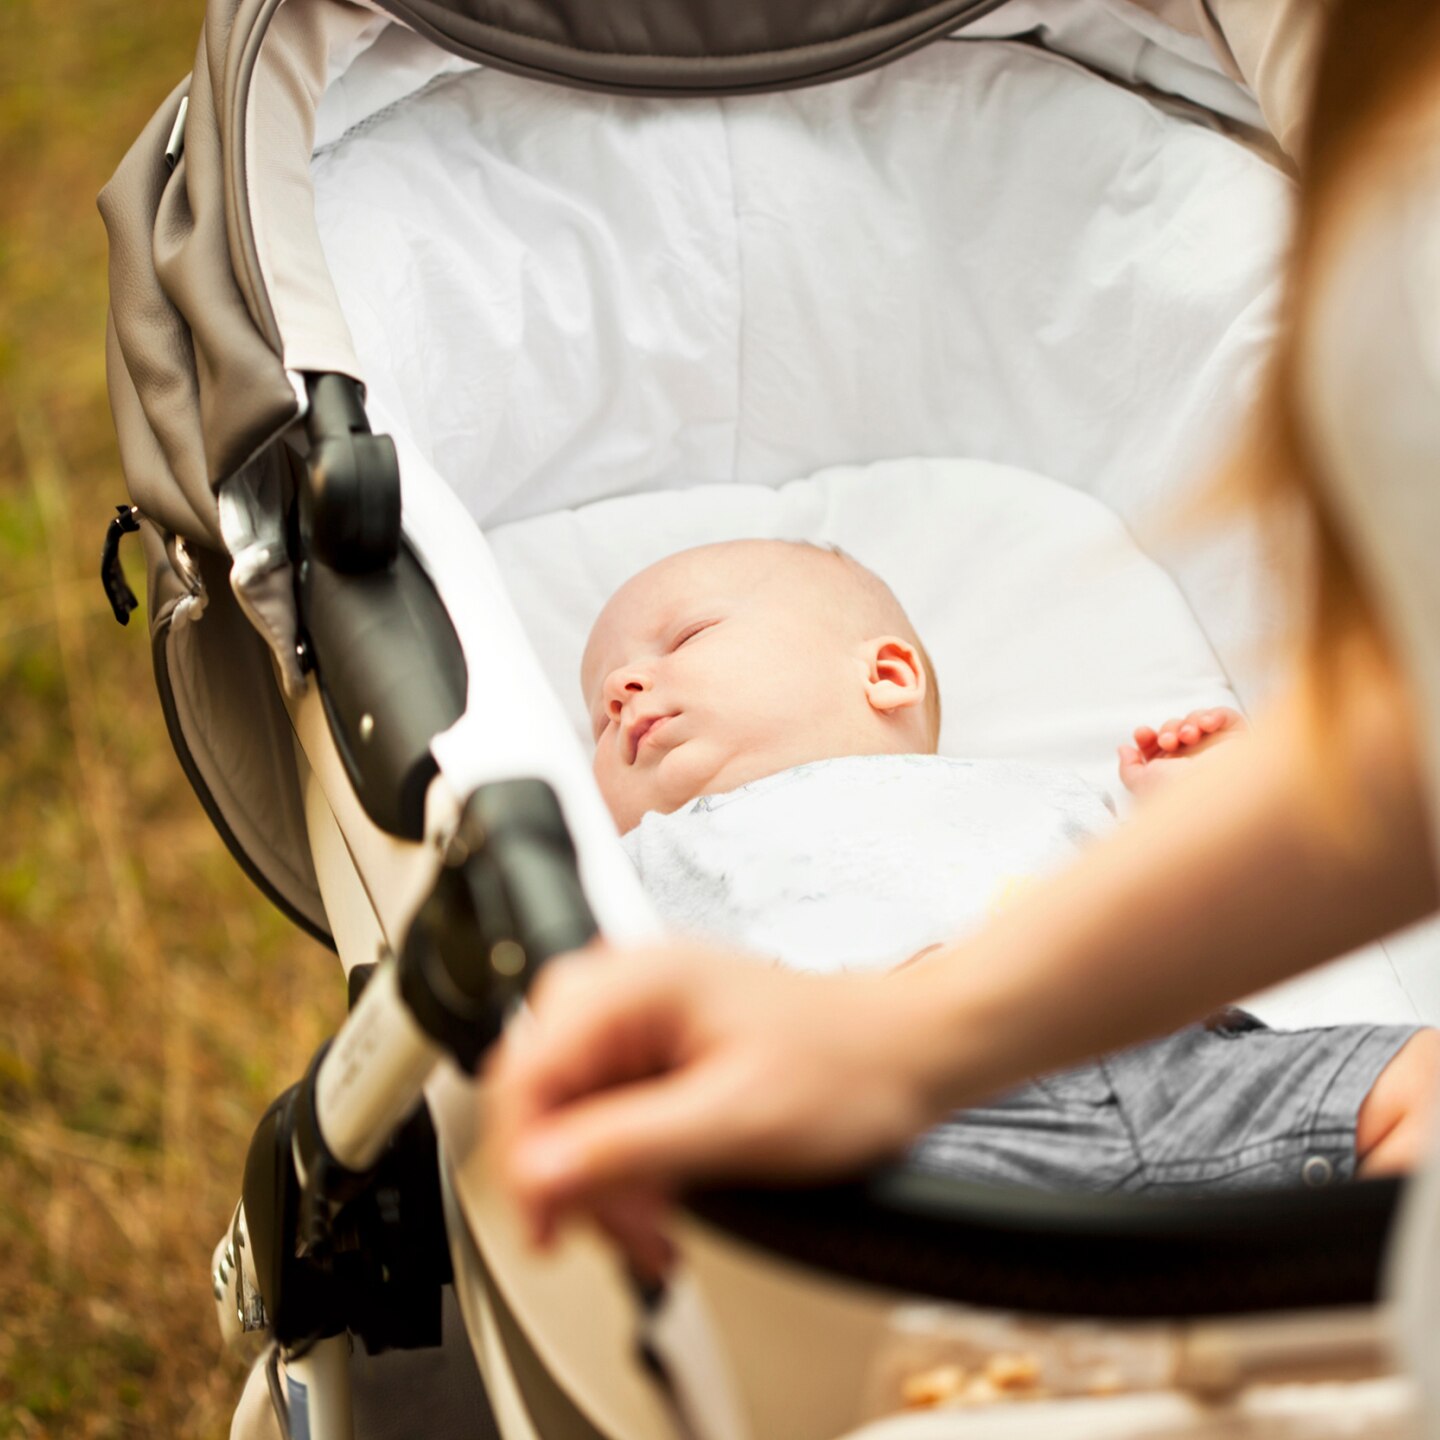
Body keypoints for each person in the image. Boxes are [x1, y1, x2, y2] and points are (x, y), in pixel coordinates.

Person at [487, 0, 1440, 1274]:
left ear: (887, 672)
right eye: (603, 697)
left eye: (687, 638)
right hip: (891, 1123)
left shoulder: (1019, 789)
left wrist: (1167, 797)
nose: (628, 692)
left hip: (1183, 1062)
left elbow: (1183, 870)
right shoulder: (650, 856)